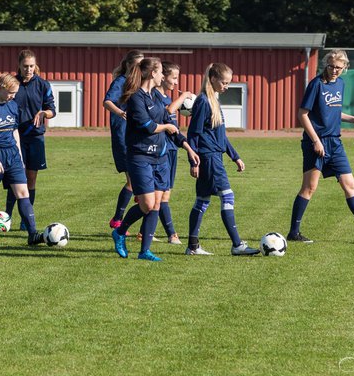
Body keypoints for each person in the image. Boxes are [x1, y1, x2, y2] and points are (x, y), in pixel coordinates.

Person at [110, 57, 198, 262]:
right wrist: (166, 127)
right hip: (140, 157)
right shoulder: (135, 98)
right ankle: (120, 231)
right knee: (148, 204)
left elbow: (170, 125)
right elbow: (148, 126)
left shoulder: (158, 98)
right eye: (160, 73)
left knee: (156, 204)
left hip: (160, 158)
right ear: (152, 74)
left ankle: (144, 251)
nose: (163, 76)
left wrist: (187, 148)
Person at [288, 49, 354, 243]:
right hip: (316, 143)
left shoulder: (341, 84)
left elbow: (334, 111)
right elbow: (302, 114)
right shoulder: (316, 85)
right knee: (309, 188)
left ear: (345, 67)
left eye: (339, 67)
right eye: (331, 66)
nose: (334, 70)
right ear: (325, 65)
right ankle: (294, 233)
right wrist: (316, 141)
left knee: (350, 185)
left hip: (335, 143)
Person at [184, 63, 259, 256]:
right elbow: (193, 134)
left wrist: (235, 156)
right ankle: (237, 245)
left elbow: (220, 136)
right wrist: (193, 162)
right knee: (227, 196)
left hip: (213, 156)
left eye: (228, 83)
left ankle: (192, 247)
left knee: (202, 200)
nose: (226, 86)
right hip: (209, 159)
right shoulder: (203, 102)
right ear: (213, 79)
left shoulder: (213, 101)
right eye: (224, 82)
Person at [0, 73, 43, 245]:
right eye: (11, 92)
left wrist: (20, 156)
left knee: (23, 192)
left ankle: (32, 234)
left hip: (12, 154)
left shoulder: (13, 106)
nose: (14, 96)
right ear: (2, 88)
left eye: (16, 93)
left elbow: (15, 131)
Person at [5, 49, 56, 228]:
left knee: (31, 178)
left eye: (31, 66)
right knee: (15, 177)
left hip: (35, 137)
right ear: (19, 66)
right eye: (25, 66)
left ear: (35, 66)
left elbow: (52, 110)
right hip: (13, 137)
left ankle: (26, 220)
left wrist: (44, 113)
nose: (28, 69)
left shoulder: (43, 85)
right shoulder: (12, 83)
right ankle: (6, 218)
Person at [153, 62, 196, 245]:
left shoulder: (165, 97)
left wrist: (187, 147)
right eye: (174, 78)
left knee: (162, 196)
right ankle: (172, 234)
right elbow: (169, 111)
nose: (176, 82)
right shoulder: (156, 97)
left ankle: (143, 231)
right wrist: (185, 96)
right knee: (162, 196)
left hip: (172, 149)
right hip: (160, 151)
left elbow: (175, 130)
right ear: (163, 77)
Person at [103, 50, 144, 231]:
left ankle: (136, 226)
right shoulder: (120, 82)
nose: (140, 69)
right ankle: (118, 220)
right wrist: (120, 112)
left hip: (136, 136)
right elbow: (107, 102)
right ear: (128, 65)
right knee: (133, 181)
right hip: (123, 136)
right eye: (137, 65)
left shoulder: (139, 84)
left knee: (138, 182)